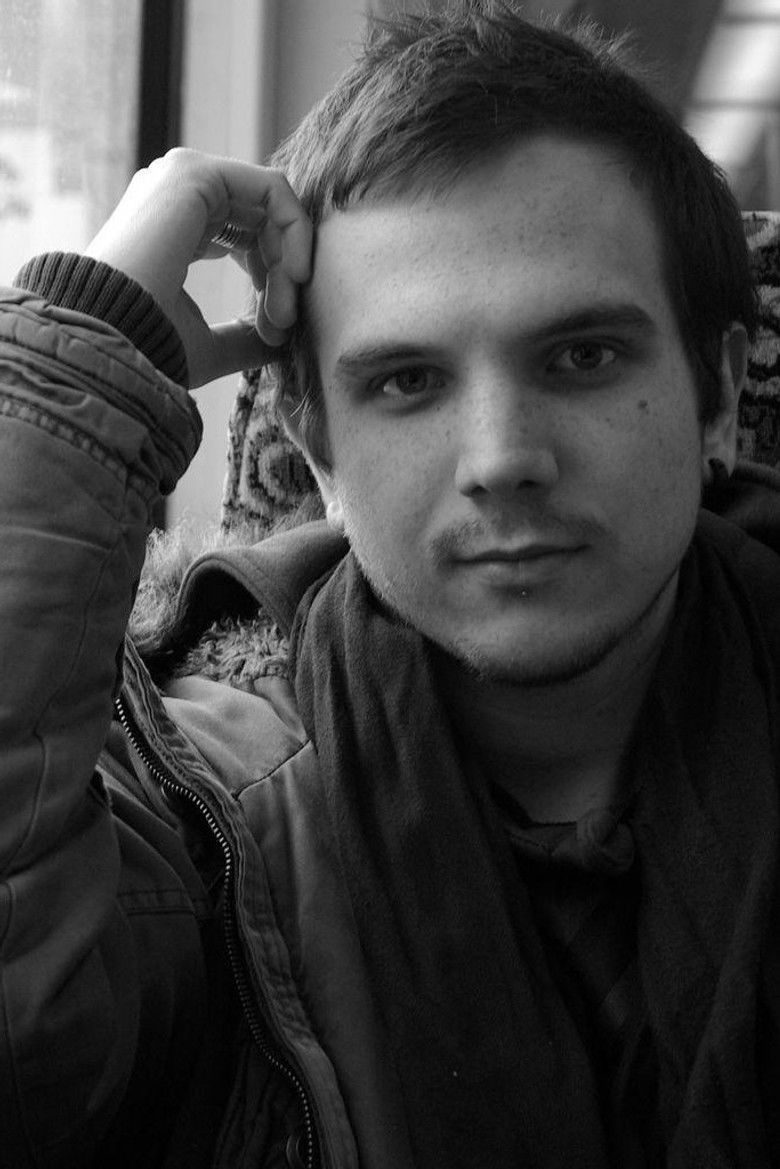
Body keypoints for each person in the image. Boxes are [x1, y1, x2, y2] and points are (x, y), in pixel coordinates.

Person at [2, 2, 778, 1166]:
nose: (503, 457)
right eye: (408, 380)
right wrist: (84, 350)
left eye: (582, 355)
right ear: (314, 445)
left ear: (717, 396)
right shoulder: (193, 812)